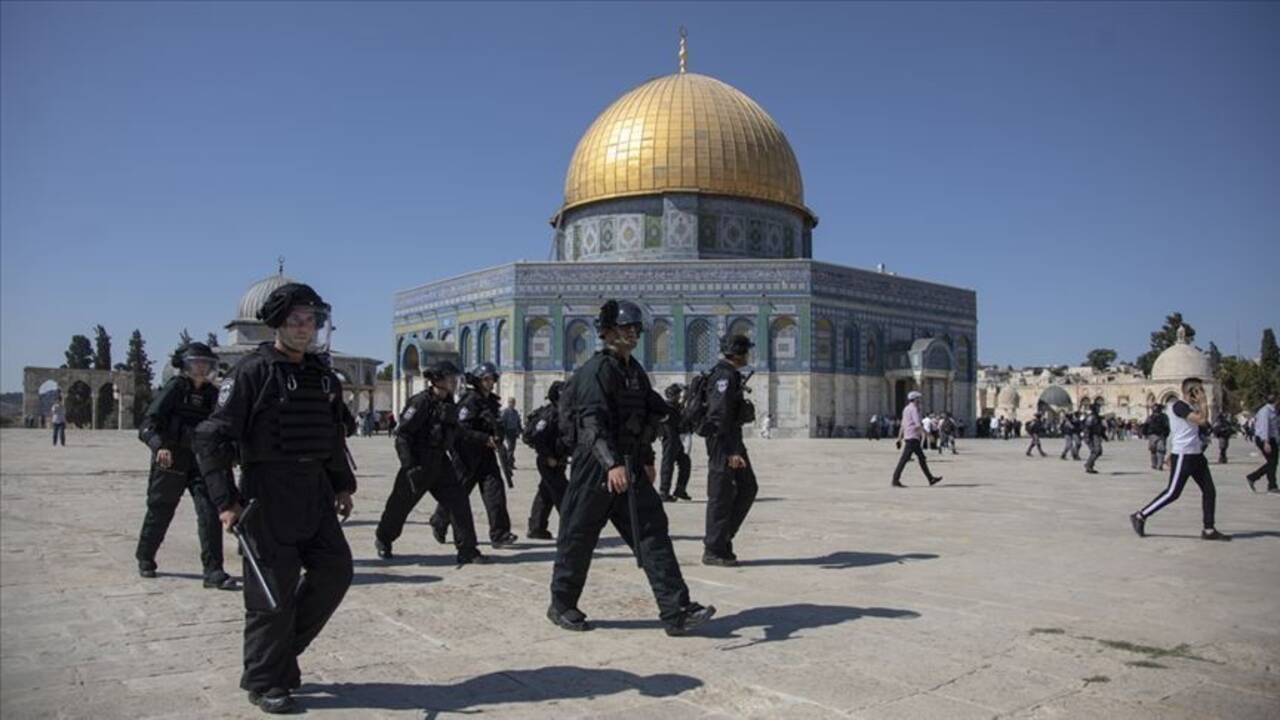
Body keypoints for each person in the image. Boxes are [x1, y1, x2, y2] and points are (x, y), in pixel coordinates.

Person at [194, 283, 356, 714]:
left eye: (310, 321)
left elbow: (332, 434)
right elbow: (210, 438)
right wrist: (226, 501)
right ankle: (265, 679)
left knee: (336, 571)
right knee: (271, 595)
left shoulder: (322, 374)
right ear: (278, 325)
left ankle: (280, 658)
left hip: (316, 493)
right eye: (295, 322)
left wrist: (342, 485)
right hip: (267, 495)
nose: (304, 329)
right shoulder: (253, 371)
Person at [548, 299, 715, 636]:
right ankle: (562, 604)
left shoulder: (633, 371)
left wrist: (653, 454)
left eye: (636, 328)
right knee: (578, 536)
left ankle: (676, 610)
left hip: (630, 466)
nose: (633, 333)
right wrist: (610, 464)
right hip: (596, 468)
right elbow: (592, 423)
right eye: (626, 328)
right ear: (607, 332)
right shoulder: (597, 371)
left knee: (653, 532)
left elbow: (651, 411)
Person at [135, 342, 237, 590]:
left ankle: (213, 571)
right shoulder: (174, 389)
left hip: (201, 462)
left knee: (209, 513)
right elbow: (148, 425)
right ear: (186, 365)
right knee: (160, 509)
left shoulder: (213, 395)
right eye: (196, 363)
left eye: (206, 364)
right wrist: (160, 446)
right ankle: (145, 556)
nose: (201, 368)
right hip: (171, 459)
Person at [375, 360, 487, 565]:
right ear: (437, 380)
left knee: (459, 502)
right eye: (450, 378)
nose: (454, 381)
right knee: (399, 507)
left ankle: (467, 549)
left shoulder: (450, 402)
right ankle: (384, 538)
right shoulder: (420, 403)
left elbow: (456, 431)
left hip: (440, 463)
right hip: (417, 462)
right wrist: (410, 466)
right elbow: (403, 436)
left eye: (455, 378)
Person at [428, 362, 517, 548]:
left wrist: (498, 437)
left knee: (495, 494)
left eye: (492, 379)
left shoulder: (491, 402)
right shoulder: (469, 401)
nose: (490, 382)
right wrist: (484, 438)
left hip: (486, 457)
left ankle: (500, 534)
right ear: (478, 381)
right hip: (466, 457)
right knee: (457, 495)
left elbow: (495, 425)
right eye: (486, 379)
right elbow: (461, 429)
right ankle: (439, 520)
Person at [1130, 378, 1231, 541]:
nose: (1201, 394)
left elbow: (1199, 427)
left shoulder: (1190, 407)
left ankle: (1209, 529)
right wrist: (1204, 403)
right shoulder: (1179, 406)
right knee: (1173, 493)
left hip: (1196, 455)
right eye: (1198, 391)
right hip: (1184, 455)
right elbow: (1202, 421)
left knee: (1209, 491)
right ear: (1190, 392)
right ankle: (1140, 515)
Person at [701, 334, 759, 566]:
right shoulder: (723, 376)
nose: (748, 355)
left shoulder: (730, 374)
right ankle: (713, 549)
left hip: (730, 440)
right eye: (746, 351)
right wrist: (732, 450)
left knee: (747, 487)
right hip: (722, 442)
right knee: (721, 494)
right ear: (737, 353)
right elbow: (719, 415)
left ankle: (723, 538)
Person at [524, 381, 570, 540]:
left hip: (558, 461)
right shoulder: (550, 414)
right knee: (564, 494)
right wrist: (547, 456)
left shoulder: (564, 413)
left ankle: (537, 528)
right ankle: (570, 529)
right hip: (548, 462)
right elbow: (537, 438)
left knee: (545, 494)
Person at [892, 391, 942, 487]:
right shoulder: (914, 409)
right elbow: (918, 425)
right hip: (913, 438)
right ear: (915, 399)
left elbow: (903, 425)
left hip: (909, 437)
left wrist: (899, 438)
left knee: (921, 458)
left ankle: (930, 478)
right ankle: (895, 479)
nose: (920, 401)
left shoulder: (906, 409)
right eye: (918, 399)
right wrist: (929, 435)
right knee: (904, 460)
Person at [658, 383, 692, 502]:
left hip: (675, 439)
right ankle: (664, 491)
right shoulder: (666, 407)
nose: (678, 397)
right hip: (669, 438)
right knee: (668, 465)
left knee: (685, 463)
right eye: (677, 395)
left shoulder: (675, 406)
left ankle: (680, 489)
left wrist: (686, 396)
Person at [1246, 394, 1277, 493]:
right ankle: (1254, 477)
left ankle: (1271, 485)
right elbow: (1264, 427)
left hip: (1271, 439)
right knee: (1272, 463)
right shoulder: (1265, 411)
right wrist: (1266, 442)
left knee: (1272, 463)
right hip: (1265, 439)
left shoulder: (1273, 411)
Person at [1143, 404, 1170, 471]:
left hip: (1160, 435)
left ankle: (1159, 465)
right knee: (1153, 450)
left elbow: (1167, 426)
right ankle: (1154, 464)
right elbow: (1146, 425)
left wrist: (1165, 434)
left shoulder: (1164, 417)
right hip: (1153, 435)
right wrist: (1145, 433)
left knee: (1160, 450)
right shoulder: (1151, 417)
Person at [1082, 402, 1105, 474]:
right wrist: (1087, 437)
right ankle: (1088, 465)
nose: (1099, 409)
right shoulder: (1091, 417)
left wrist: (1104, 435)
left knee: (1096, 451)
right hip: (1092, 436)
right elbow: (1087, 427)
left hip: (1096, 435)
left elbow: (1099, 428)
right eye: (1098, 408)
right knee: (1097, 451)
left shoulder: (1096, 417)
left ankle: (1089, 466)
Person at [501, 397, 522, 473]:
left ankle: (511, 463)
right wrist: (503, 432)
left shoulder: (515, 412)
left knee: (512, 448)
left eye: (513, 402)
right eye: (510, 402)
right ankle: (509, 464)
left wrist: (520, 430)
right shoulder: (505, 412)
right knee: (510, 448)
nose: (511, 404)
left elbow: (518, 422)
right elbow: (502, 422)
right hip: (508, 432)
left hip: (514, 432)